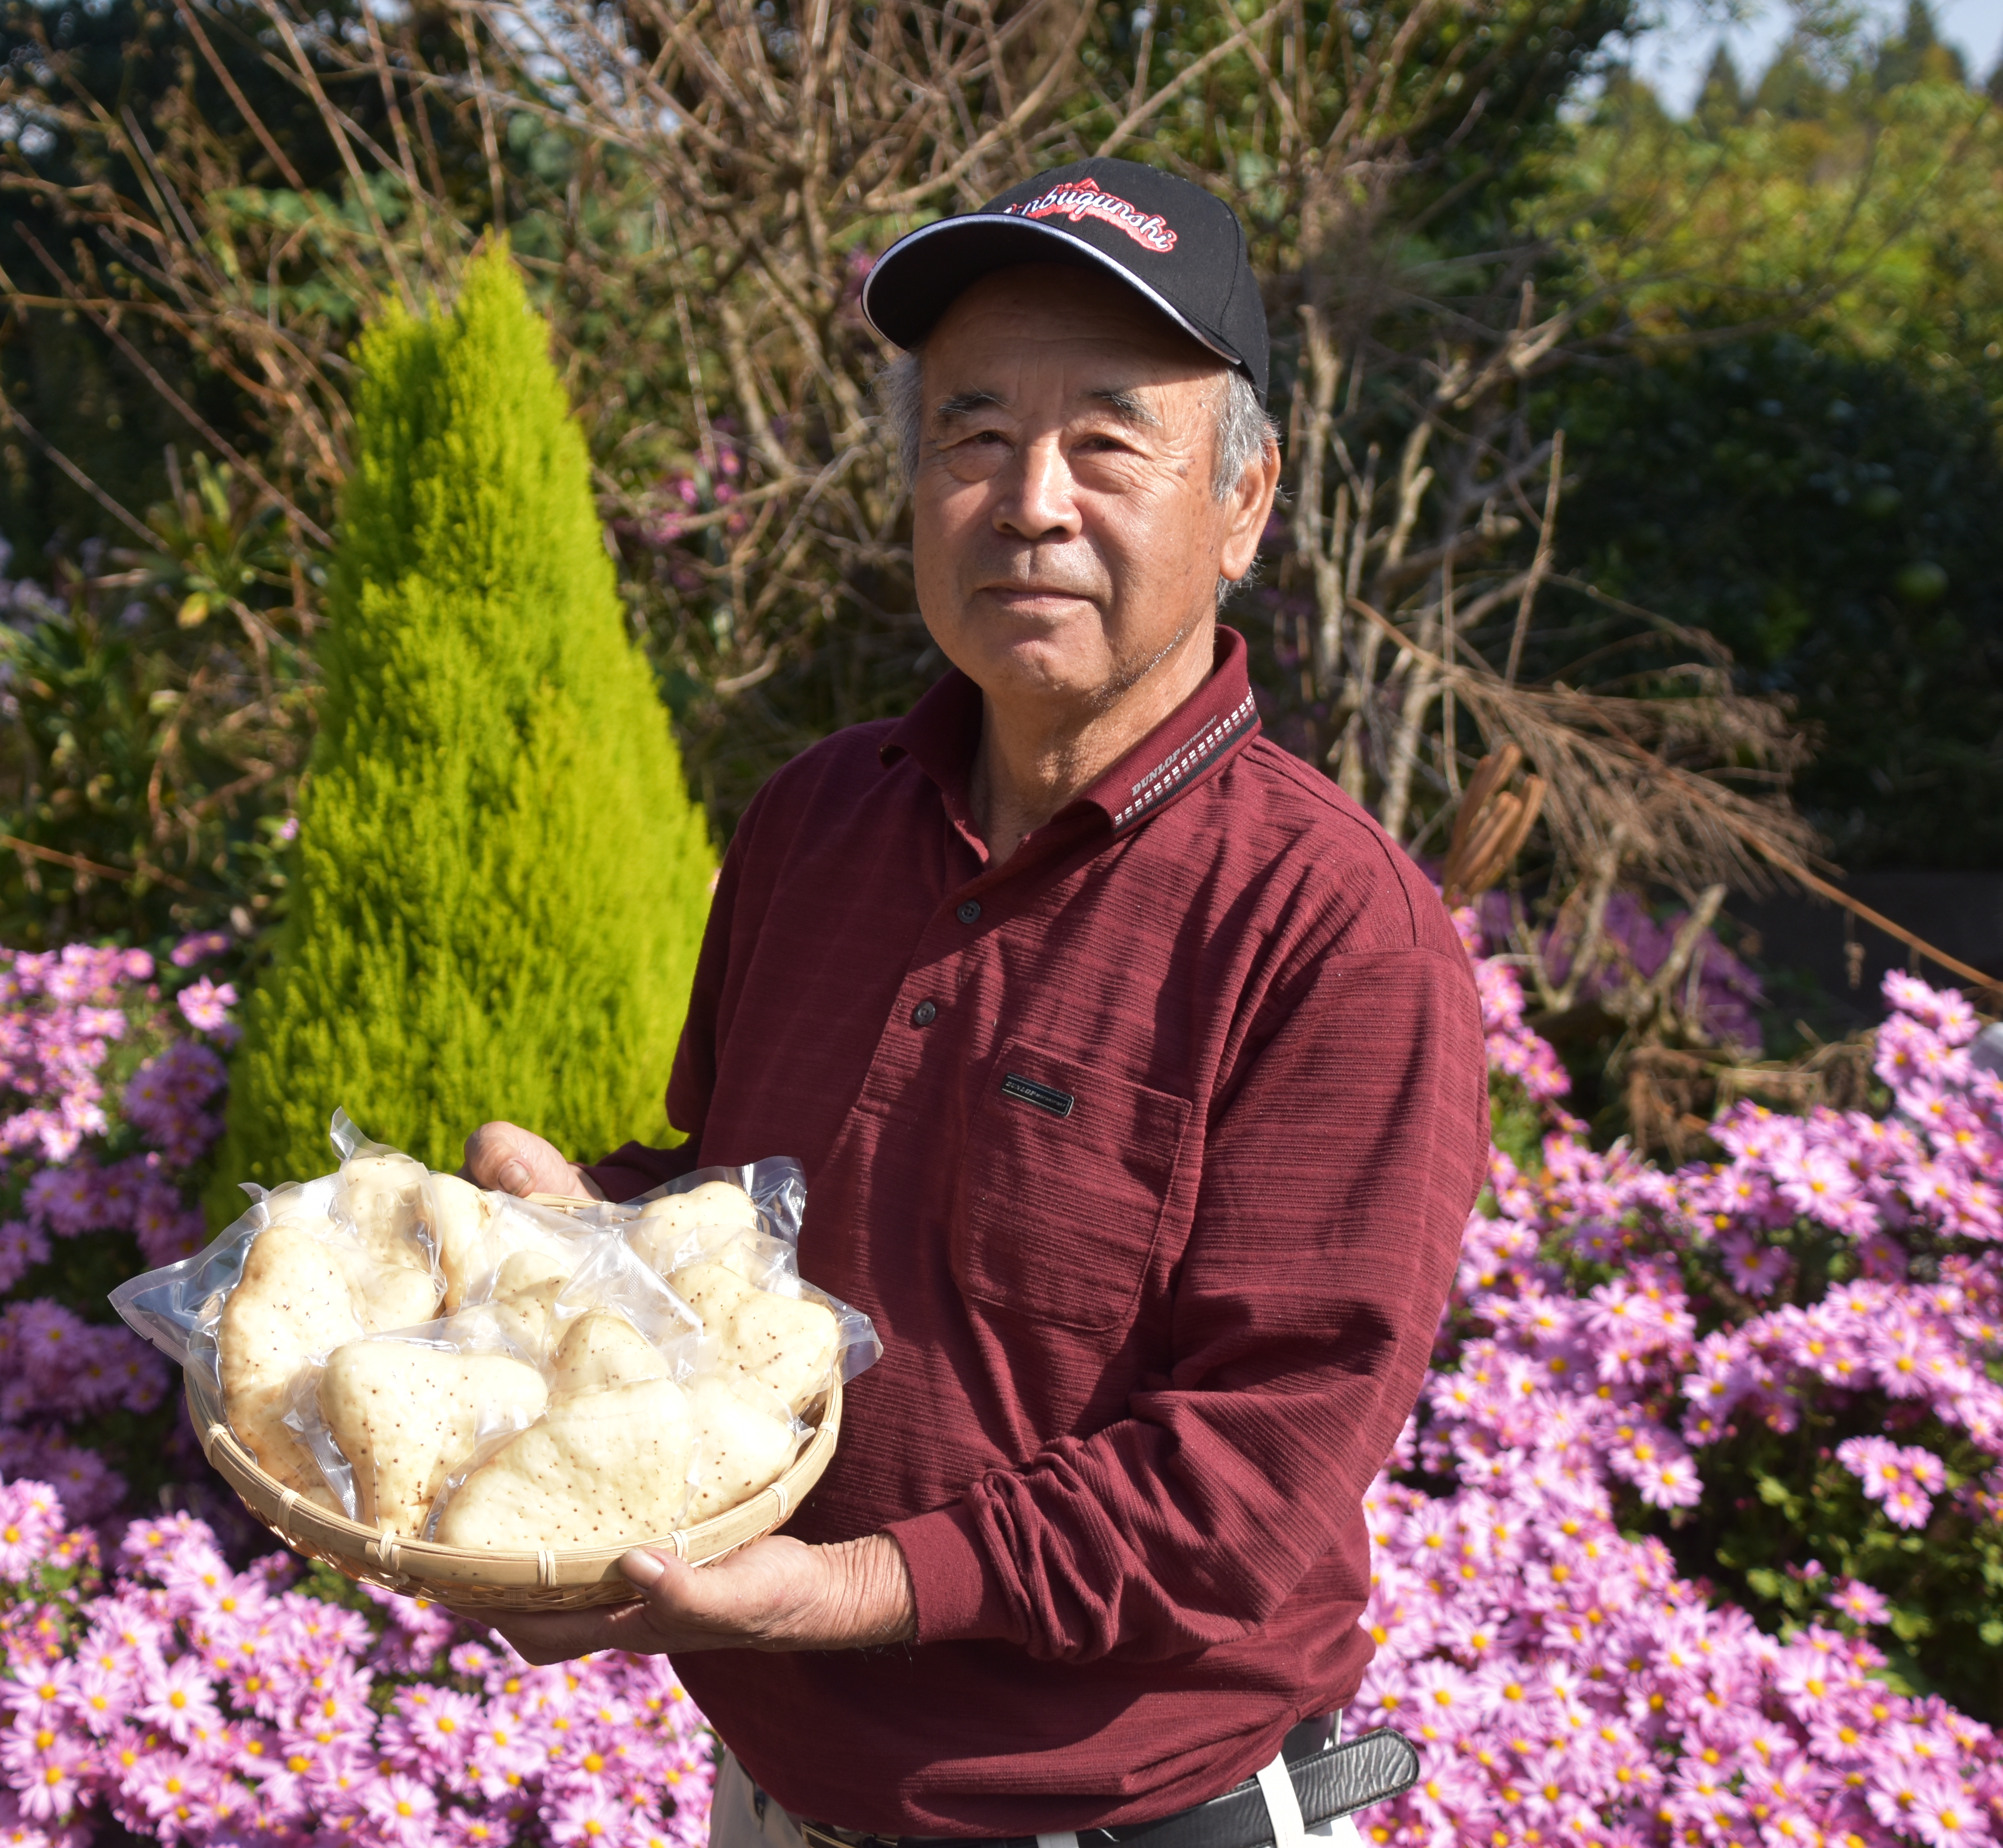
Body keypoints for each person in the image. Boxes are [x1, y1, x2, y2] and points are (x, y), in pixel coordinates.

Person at [461, 159, 1486, 1848]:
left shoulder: (1330, 931)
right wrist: (569, 1251)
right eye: (973, 432)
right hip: (779, 1781)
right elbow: (734, 1221)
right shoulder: (816, 821)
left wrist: (851, 1588)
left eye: (1106, 440)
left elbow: (1252, 1478)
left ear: (1244, 501)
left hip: (1122, 1807)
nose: (1029, 500)